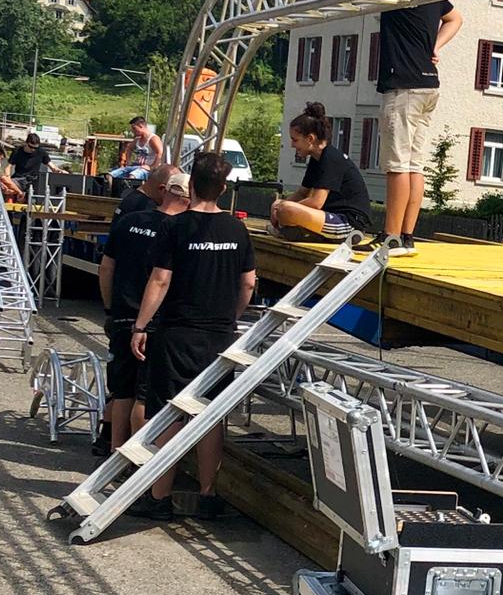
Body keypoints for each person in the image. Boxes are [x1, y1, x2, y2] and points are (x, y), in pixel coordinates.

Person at [129, 149, 257, 521]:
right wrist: (230, 316)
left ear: (192, 187)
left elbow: (160, 279)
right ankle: (207, 495)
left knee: (168, 413)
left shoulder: (175, 227)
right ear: (223, 188)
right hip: (219, 336)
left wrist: (140, 326)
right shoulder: (237, 229)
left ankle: (159, 496)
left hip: (177, 333)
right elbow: (248, 283)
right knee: (209, 416)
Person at [98, 164, 189, 451]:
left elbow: (106, 268)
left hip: (122, 315)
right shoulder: (179, 231)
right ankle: (139, 460)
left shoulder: (128, 221)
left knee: (122, 391)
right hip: (153, 321)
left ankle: (114, 452)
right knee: (144, 396)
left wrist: (110, 309)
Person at [376, 0, 462, 250]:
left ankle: (390, 236)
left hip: (403, 87)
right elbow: (456, 18)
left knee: (398, 165)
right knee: (415, 164)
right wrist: (435, 46)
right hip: (428, 85)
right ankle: (406, 235)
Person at [269, 101, 372, 241]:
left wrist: (284, 209)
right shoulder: (316, 159)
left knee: (286, 209)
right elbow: (301, 193)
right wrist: (278, 206)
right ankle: (297, 232)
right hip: (331, 215)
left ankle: (293, 232)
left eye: (295, 140)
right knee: (280, 206)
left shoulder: (330, 158)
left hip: (349, 223)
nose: (292, 145)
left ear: (310, 139)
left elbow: (316, 202)